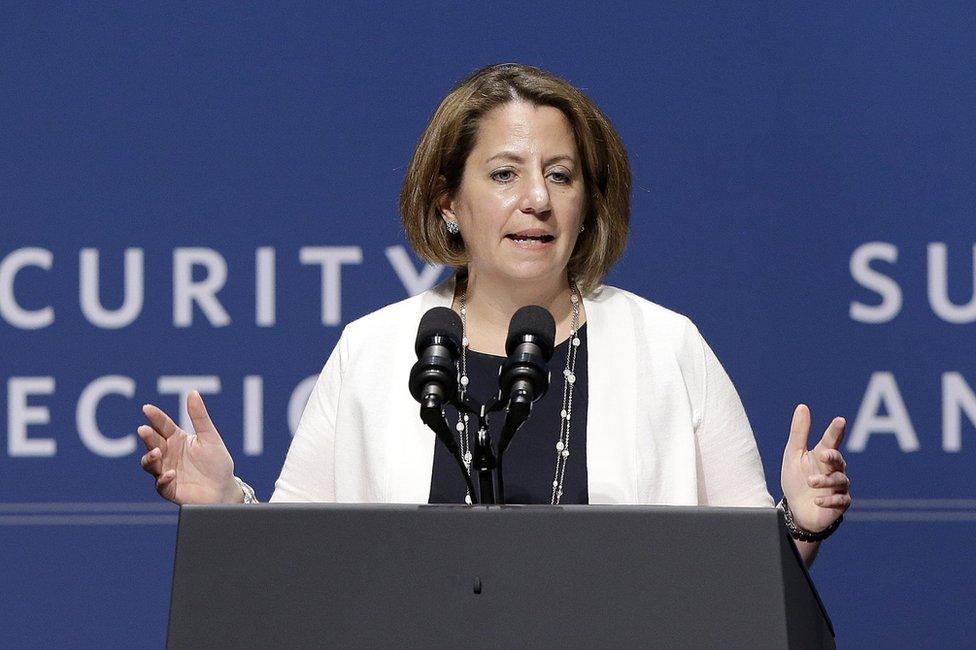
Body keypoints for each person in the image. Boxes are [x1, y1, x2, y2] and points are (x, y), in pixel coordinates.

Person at [137, 63, 851, 566]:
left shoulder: (666, 347)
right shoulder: (377, 348)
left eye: (561, 175)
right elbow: (302, 563)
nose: (536, 198)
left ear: (588, 204)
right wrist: (224, 503)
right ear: (448, 200)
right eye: (505, 173)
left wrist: (797, 523)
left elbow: (748, 579)